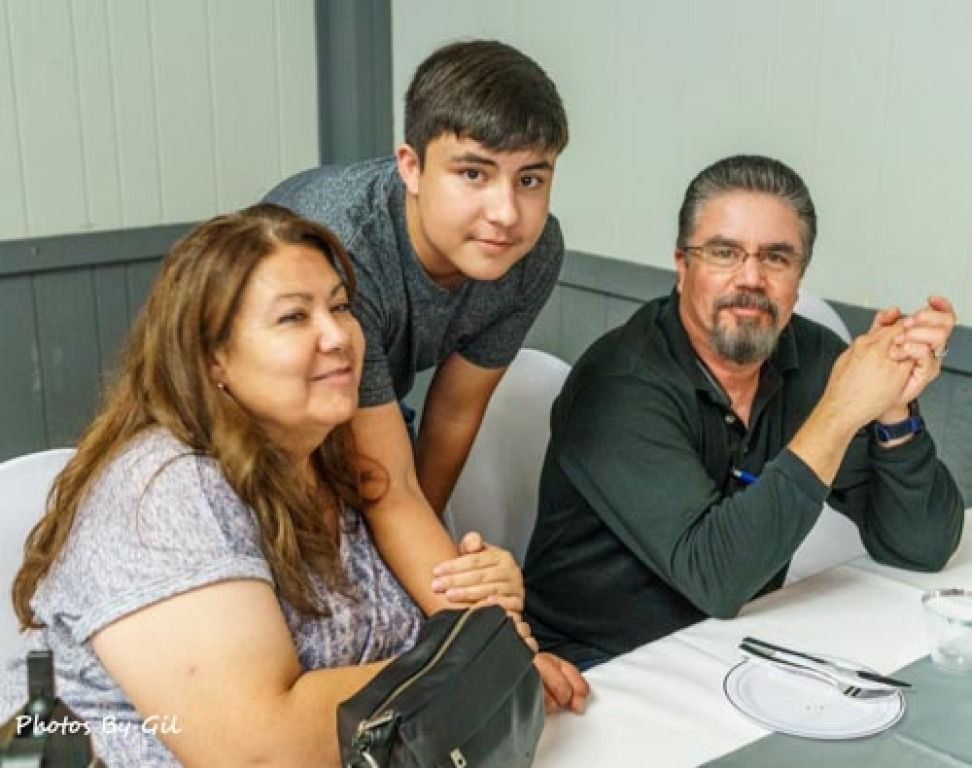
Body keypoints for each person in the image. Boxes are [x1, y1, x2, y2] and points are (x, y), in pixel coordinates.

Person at [0, 205, 548, 766]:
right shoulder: (163, 491)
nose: (337, 335)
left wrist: (485, 594)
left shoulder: (331, 455)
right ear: (213, 357)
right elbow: (261, 748)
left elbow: (407, 649)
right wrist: (469, 665)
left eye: (340, 306)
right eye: (294, 318)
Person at [524, 154, 965, 669]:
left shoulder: (813, 357)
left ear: (798, 277)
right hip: (600, 671)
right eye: (724, 252)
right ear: (683, 265)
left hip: (741, 645)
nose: (751, 277)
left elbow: (922, 546)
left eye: (776, 257)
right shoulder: (619, 382)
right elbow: (718, 576)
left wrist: (892, 409)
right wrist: (841, 411)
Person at [265, 40, 586, 704]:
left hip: (358, 400)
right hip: (252, 423)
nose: (506, 212)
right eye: (474, 174)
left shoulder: (534, 248)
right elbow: (387, 489)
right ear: (410, 165)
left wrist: (422, 578)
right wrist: (498, 651)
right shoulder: (343, 245)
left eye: (531, 178)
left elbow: (453, 414)